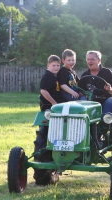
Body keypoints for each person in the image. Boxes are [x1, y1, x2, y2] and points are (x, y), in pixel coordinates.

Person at [34, 54, 63, 185]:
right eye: (53, 65)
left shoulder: (56, 76)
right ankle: (42, 172)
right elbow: (43, 92)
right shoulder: (47, 76)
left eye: (58, 65)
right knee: (45, 132)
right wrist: (54, 103)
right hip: (48, 109)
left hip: (56, 108)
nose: (56, 67)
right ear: (48, 66)